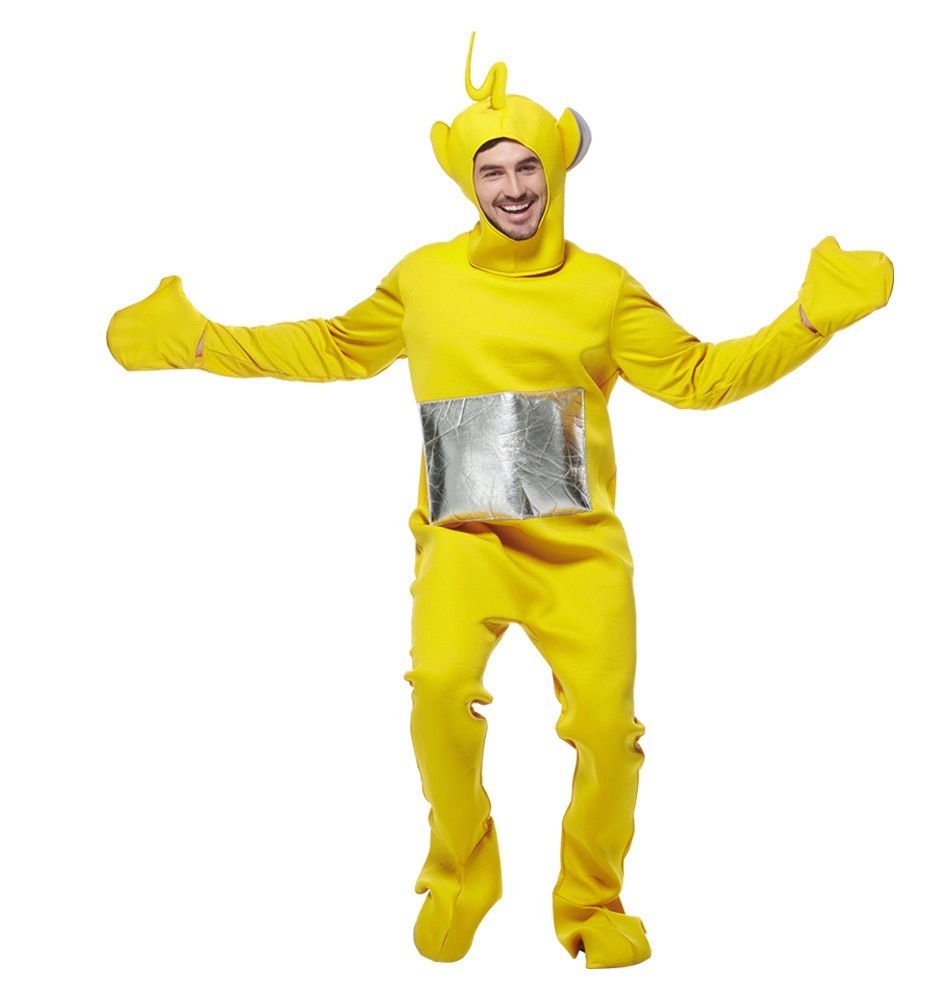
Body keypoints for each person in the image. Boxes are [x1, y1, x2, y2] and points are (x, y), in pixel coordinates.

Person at [106, 35, 893, 969]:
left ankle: (592, 903)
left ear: (556, 171)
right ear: (468, 183)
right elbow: (333, 347)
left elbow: (698, 377)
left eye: (528, 168)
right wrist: (200, 341)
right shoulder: (425, 279)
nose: (513, 188)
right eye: (493, 171)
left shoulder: (602, 289)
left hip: (579, 552)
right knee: (438, 692)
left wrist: (808, 320)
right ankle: (460, 875)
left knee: (607, 731)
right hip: (463, 541)